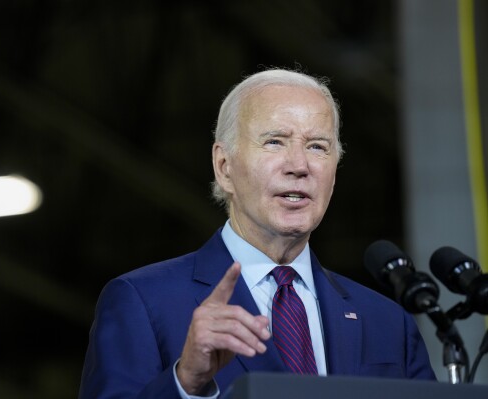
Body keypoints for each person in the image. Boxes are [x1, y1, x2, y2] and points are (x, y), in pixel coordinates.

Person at [78, 68, 436, 399]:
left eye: (317, 146)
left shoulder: (388, 323)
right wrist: (184, 382)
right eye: (275, 142)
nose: (299, 166)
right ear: (224, 167)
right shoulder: (142, 301)